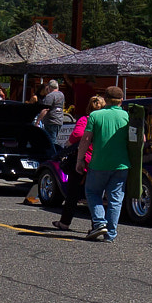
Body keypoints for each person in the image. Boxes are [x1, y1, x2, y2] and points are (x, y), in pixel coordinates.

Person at [83, 87, 131, 241]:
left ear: (105, 99)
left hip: (99, 163)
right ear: (121, 100)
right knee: (116, 199)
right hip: (121, 164)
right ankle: (110, 234)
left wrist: (79, 159)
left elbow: (86, 139)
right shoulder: (128, 116)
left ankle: (99, 223)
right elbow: (141, 140)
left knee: (92, 192)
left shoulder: (95, 115)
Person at [50, 94, 103, 227]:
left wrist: (69, 143)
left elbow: (78, 134)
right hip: (101, 160)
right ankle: (98, 224)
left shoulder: (86, 119)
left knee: (73, 193)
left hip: (84, 159)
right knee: (97, 195)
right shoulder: (104, 121)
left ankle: (64, 222)